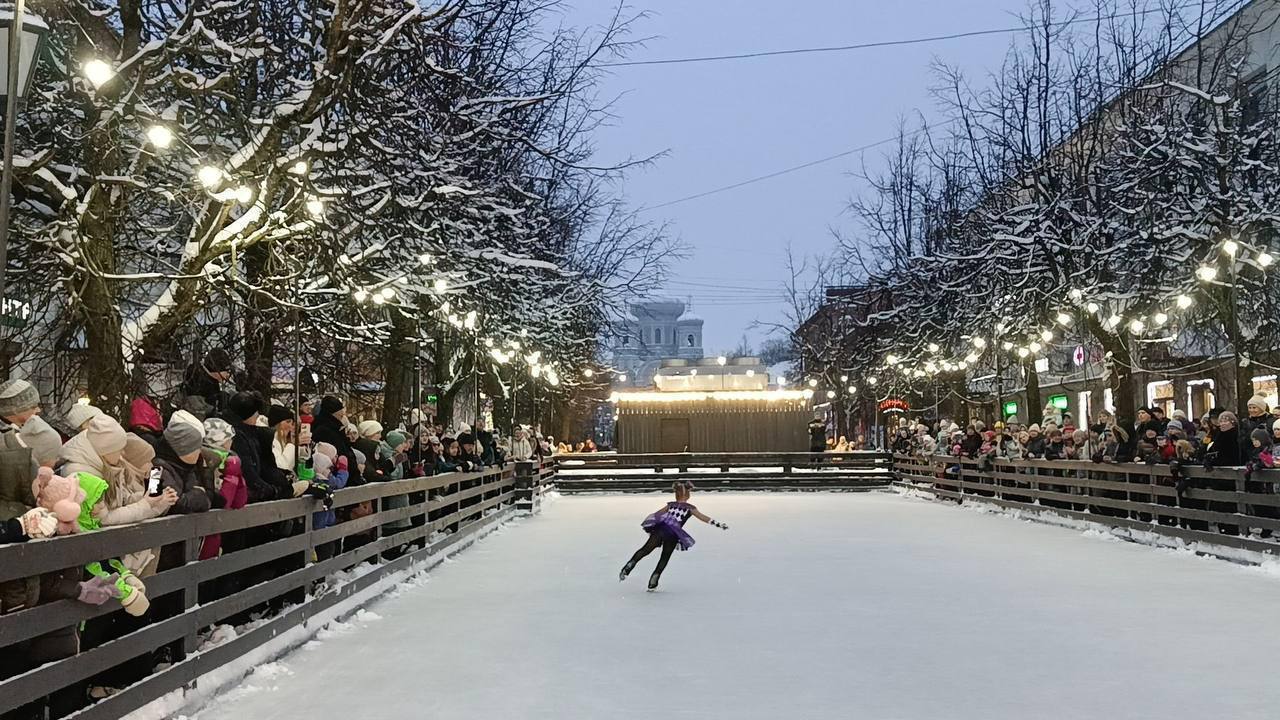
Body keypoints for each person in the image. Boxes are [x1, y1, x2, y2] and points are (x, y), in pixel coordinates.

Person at [619, 481, 728, 591]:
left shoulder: (670, 505)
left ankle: (630, 564)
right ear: (688, 495)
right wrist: (718, 524)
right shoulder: (690, 508)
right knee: (665, 557)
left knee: (645, 550)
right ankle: (654, 579)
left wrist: (655, 523)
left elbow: (657, 514)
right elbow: (703, 517)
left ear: (676, 494)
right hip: (673, 534)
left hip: (660, 530)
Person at [181, 347, 233, 416]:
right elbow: (198, 410)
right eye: (226, 371)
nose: (228, 375)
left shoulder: (210, 379)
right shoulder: (198, 382)